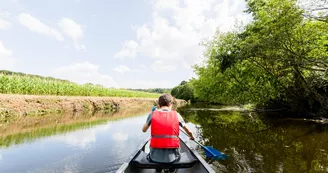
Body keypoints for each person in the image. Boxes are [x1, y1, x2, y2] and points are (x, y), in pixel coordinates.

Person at [142, 93, 195, 173]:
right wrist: (192, 137)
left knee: (156, 159)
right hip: (173, 158)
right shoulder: (177, 115)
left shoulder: (152, 114)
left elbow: (144, 130)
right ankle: (171, 169)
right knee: (174, 159)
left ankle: (158, 170)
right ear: (170, 104)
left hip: (154, 158)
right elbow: (189, 131)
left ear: (159, 104)